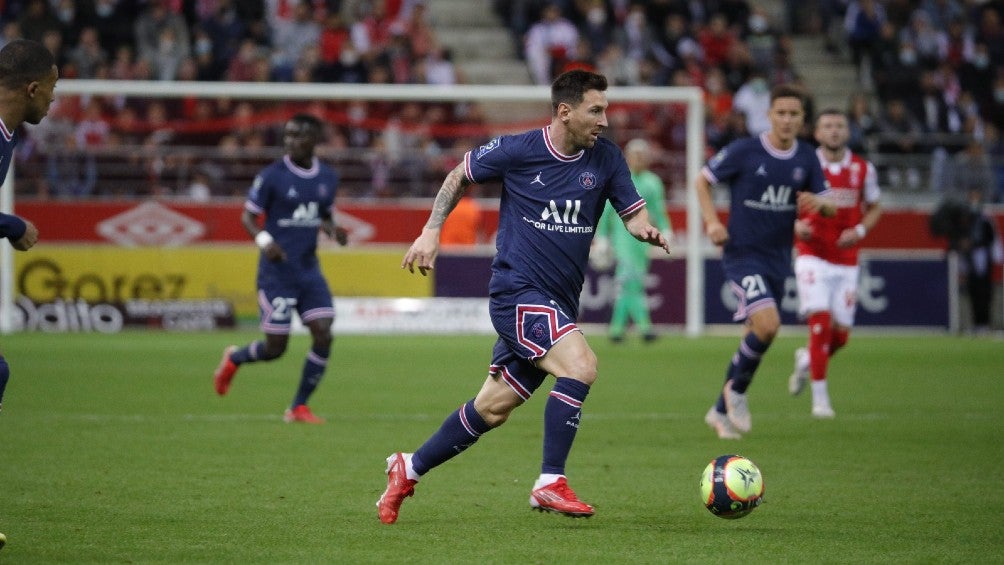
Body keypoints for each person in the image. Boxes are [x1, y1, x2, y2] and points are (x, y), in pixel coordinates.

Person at [377, 70, 670, 524]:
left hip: (558, 302)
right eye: (596, 110)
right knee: (582, 366)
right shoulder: (518, 150)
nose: (605, 120)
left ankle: (408, 467)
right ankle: (549, 482)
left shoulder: (607, 159)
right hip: (517, 294)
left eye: (605, 109)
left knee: (491, 410)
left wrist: (644, 229)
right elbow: (460, 174)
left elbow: (633, 214)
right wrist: (431, 230)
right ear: (564, 111)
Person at [695, 83, 835, 440]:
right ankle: (737, 393)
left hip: (777, 259)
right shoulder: (745, 150)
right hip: (743, 255)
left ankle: (719, 410)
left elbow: (828, 204)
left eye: (794, 114)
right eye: (781, 113)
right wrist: (712, 222)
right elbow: (702, 180)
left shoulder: (806, 158)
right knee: (769, 325)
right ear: (769, 115)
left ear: (803, 120)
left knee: (756, 334)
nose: (787, 120)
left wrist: (818, 207)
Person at [213, 113, 348, 424]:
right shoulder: (272, 175)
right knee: (276, 349)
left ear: (314, 139)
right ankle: (234, 358)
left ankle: (298, 406)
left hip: (308, 270)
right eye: (287, 135)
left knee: (324, 334)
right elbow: (248, 217)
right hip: (277, 274)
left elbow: (323, 214)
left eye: (298, 135)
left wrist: (333, 230)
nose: (291, 142)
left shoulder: (327, 177)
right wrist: (264, 240)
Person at [788, 109, 882, 419]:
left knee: (839, 337)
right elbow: (783, 202)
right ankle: (820, 401)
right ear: (816, 133)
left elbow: (875, 206)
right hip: (811, 255)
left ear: (848, 131)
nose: (834, 131)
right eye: (827, 126)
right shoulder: (802, 164)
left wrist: (859, 230)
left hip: (846, 260)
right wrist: (794, 226)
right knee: (820, 324)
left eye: (839, 125)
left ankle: (805, 361)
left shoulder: (862, 168)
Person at [0, 38, 57, 413]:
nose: (53, 101)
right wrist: (12, 225)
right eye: (52, 90)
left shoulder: (10, 134)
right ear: (32, 88)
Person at [593, 138, 673, 343]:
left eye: (641, 155)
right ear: (627, 157)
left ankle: (616, 330)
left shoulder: (652, 182)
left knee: (631, 284)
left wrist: (666, 229)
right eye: (634, 154)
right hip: (623, 238)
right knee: (629, 279)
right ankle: (645, 328)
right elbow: (608, 212)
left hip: (643, 240)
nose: (637, 159)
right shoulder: (619, 179)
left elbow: (658, 210)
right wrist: (602, 237)